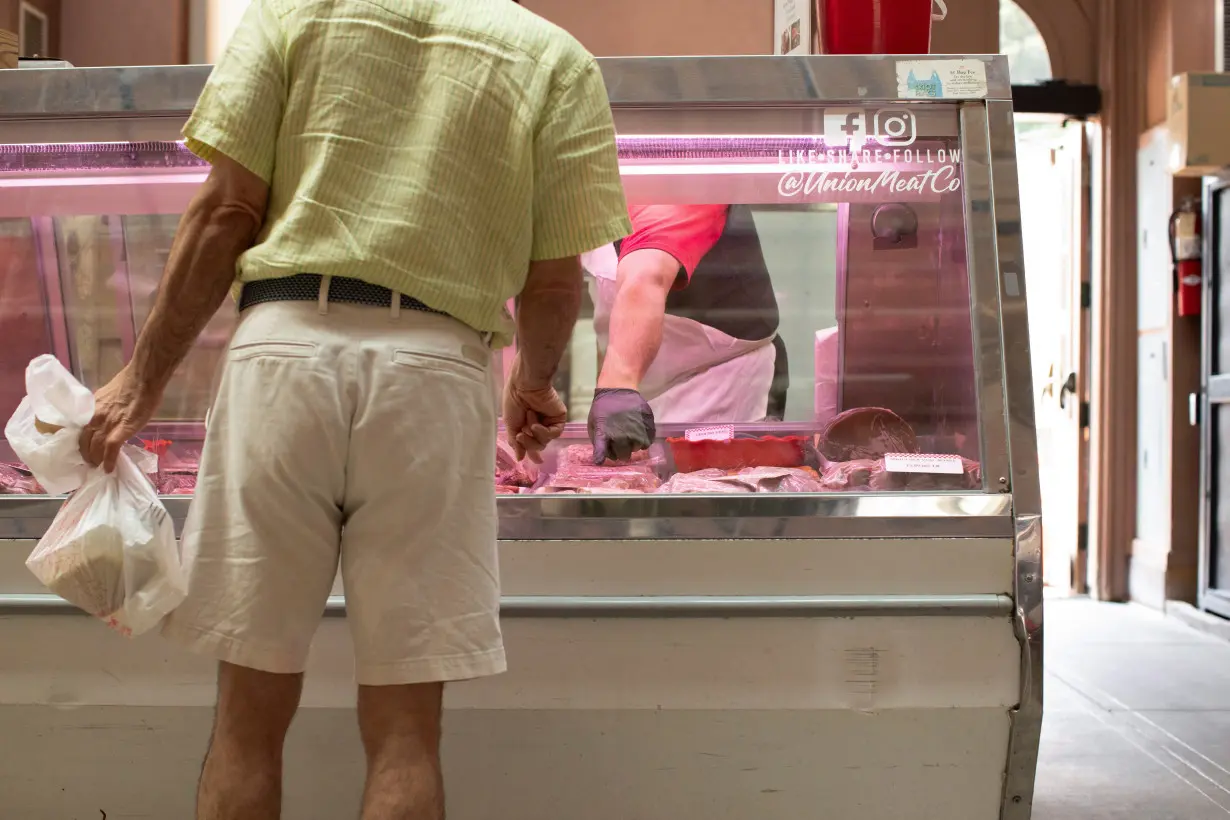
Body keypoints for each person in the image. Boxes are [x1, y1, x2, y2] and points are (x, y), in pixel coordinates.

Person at [76, 1, 630, 817]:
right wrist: (533, 384)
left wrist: (141, 379)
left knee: (247, 723)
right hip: (436, 373)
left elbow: (226, 211)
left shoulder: (292, 14)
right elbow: (554, 282)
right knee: (406, 731)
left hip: (284, 352)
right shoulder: (554, 57)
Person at [584, 204, 786, 462]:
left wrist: (617, 386)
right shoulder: (587, 192)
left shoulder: (671, 184)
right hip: (637, 386)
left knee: (700, 493)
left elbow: (647, 276)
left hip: (718, 380)